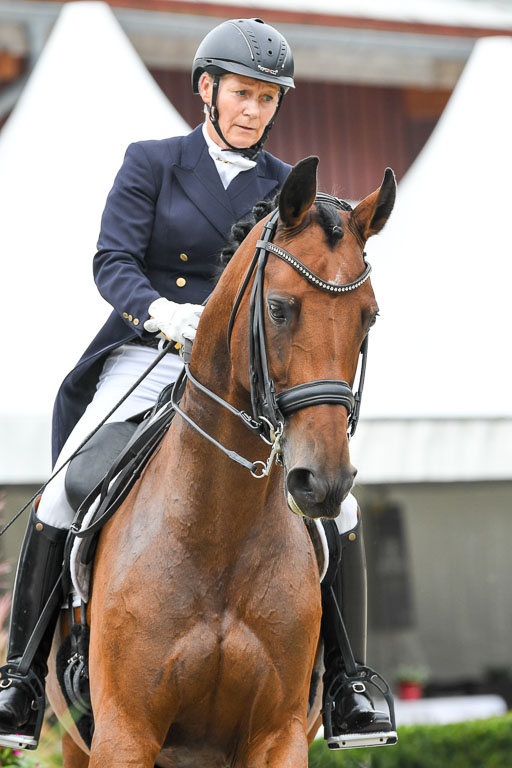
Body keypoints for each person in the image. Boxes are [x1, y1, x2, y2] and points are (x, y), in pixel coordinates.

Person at [0, 17, 393, 750]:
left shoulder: (293, 190)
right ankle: (20, 679)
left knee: (340, 511)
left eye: (268, 100)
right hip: (149, 353)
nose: (254, 111)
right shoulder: (152, 161)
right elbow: (111, 259)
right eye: (243, 95)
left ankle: (349, 684)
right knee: (61, 490)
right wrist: (159, 312)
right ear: (207, 90)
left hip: (248, 380)